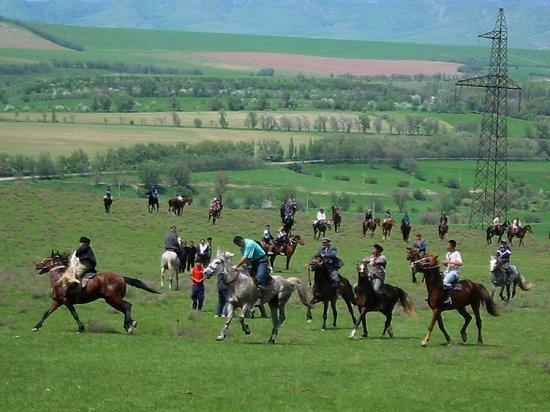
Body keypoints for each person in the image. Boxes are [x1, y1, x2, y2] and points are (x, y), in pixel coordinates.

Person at [233, 235, 270, 304]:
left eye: (238, 244)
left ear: (241, 241)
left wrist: (236, 266)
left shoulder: (249, 244)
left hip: (262, 260)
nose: (238, 246)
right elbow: (247, 259)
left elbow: (246, 258)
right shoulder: (242, 248)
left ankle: (261, 296)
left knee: (259, 277)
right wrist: (247, 265)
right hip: (253, 261)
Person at [359, 243, 387, 310]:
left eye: (374, 249)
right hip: (370, 275)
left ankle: (382, 303)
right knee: (358, 286)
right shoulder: (371, 257)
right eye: (373, 249)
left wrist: (374, 262)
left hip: (378, 276)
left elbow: (381, 261)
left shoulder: (382, 257)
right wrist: (362, 262)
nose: (373, 250)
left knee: (376, 289)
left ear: (378, 250)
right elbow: (365, 260)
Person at [441, 239, 462, 305]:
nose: (447, 246)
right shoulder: (448, 254)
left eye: (448, 245)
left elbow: (460, 263)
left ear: (452, 247)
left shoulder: (456, 253)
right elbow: (448, 264)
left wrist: (448, 262)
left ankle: (450, 298)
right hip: (447, 271)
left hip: (454, 272)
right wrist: (445, 263)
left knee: (446, 282)